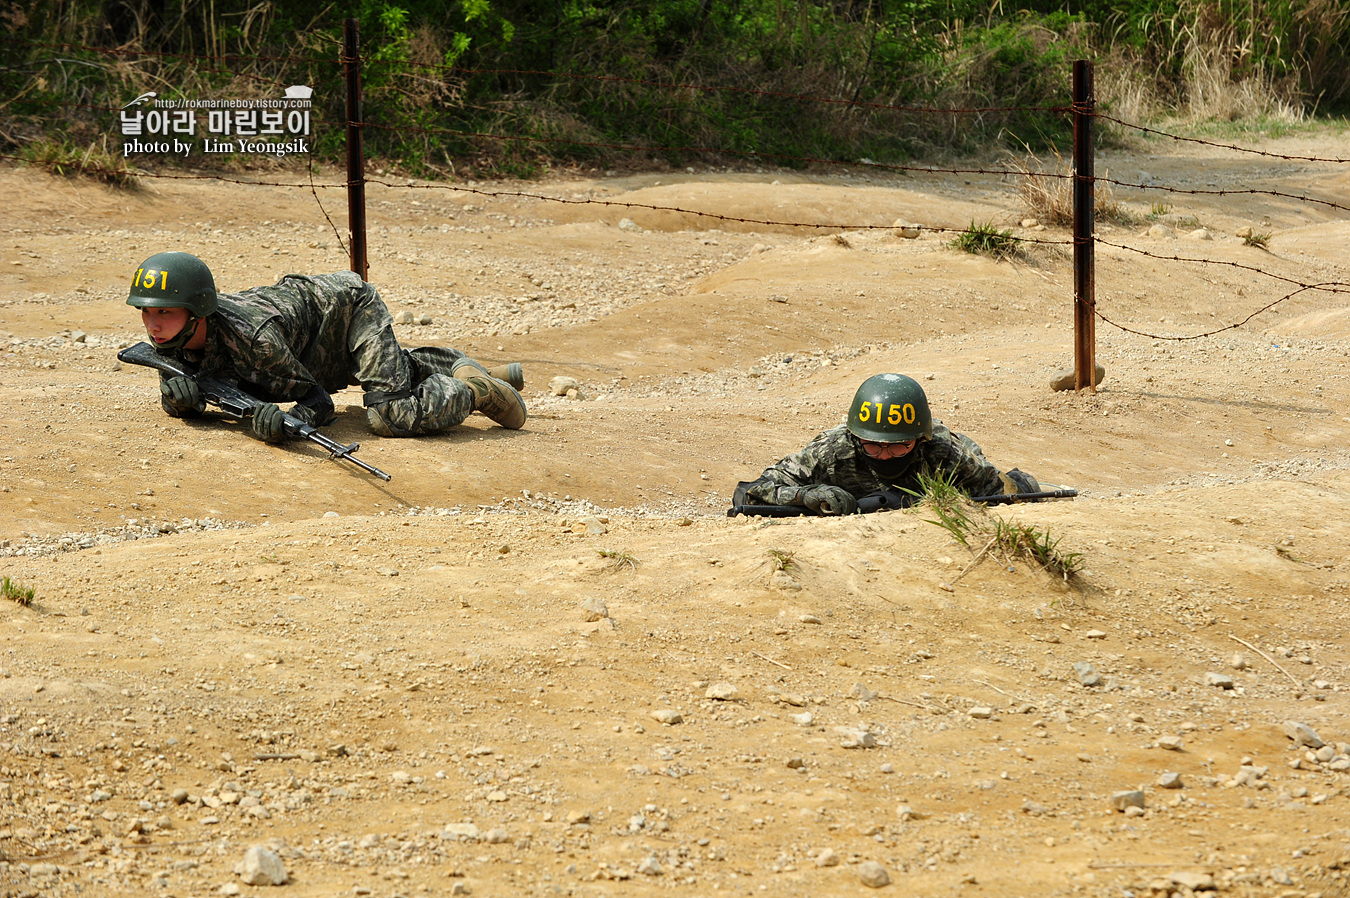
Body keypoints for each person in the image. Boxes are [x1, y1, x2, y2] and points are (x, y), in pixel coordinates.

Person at [126, 251, 526, 441]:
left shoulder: (256, 341)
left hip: (347, 307)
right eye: (147, 313)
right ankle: (461, 366)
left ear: (198, 310)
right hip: (305, 342)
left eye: (164, 313)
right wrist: (181, 402)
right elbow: (213, 387)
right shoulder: (172, 340)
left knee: (390, 414)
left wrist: (288, 422)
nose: (153, 325)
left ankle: (475, 389)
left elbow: (318, 400)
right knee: (382, 375)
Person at [734, 373, 1040, 515]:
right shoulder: (833, 449)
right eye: (873, 446)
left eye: (897, 446)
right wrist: (808, 494)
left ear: (920, 440)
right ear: (856, 438)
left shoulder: (944, 452)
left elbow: (999, 494)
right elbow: (754, 489)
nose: (884, 455)